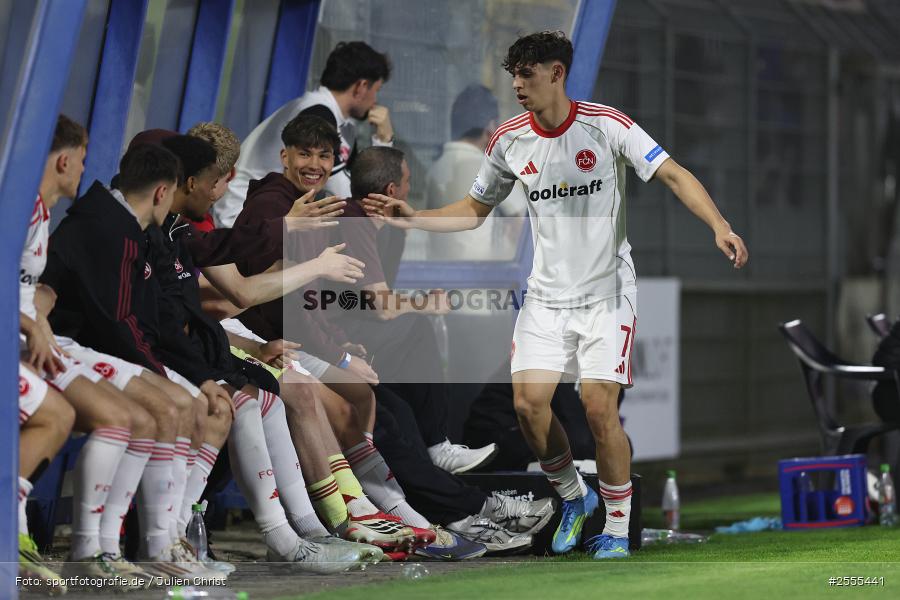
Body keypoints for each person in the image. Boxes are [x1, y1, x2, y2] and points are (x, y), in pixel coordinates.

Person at [364, 30, 749, 560]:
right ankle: (573, 497)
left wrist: (719, 225)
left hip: (606, 292)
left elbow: (674, 175)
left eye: (527, 74)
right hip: (545, 297)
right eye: (514, 76)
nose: (518, 85)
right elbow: (474, 211)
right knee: (528, 406)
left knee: (598, 408)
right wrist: (415, 218)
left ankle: (617, 527)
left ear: (557, 73)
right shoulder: (508, 140)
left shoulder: (606, 126)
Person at [26, 115, 211, 587]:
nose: (84, 168)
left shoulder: (57, 216)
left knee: (177, 407)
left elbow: (42, 289)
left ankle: (137, 544)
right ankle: (102, 548)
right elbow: (114, 321)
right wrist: (34, 320)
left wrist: (37, 310)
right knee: (154, 410)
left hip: (50, 338)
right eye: (82, 158)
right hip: (54, 343)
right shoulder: (102, 225)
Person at [216, 41, 394, 227]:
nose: (375, 100)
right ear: (361, 87)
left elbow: (361, 186)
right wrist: (383, 143)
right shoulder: (317, 113)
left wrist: (384, 140)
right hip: (242, 218)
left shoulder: (343, 124)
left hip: (272, 217)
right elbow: (345, 196)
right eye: (376, 90)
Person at [425, 84, 525, 260]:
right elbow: (523, 224)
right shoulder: (491, 168)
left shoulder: (436, 167)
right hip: (480, 274)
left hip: (438, 273)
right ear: (490, 127)